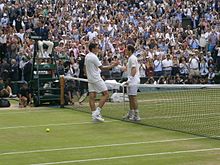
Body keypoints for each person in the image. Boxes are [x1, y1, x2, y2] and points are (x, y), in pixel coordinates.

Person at [85, 42, 119, 122]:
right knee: (106, 94)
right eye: (97, 48)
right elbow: (102, 68)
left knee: (92, 97)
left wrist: (89, 76)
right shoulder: (93, 57)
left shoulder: (87, 56)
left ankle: (94, 116)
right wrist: (113, 66)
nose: (98, 49)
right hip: (96, 78)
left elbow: (85, 68)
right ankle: (97, 112)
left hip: (90, 79)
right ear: (93, 49)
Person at [123, 44, 141, 121]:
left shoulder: (132, 58)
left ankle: (137, 115)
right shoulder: (130, 58)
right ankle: (131, 113)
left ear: (130, 50)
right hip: (131, 80)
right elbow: (129, 69)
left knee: (133, 97)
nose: (125, 51)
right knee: (130, 97)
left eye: (126, 49)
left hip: (134, 80)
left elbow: (134, 70)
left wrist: (129, 80)